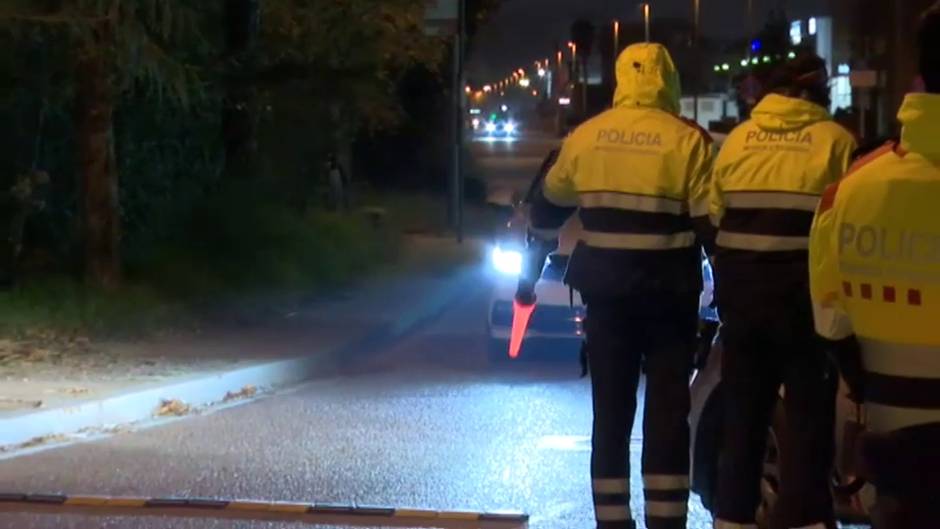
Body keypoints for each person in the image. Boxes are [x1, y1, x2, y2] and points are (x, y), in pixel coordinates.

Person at [522, 43, 715, 529]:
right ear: (668, 82)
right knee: (668, 418)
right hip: (669, 298)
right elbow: (713, 227)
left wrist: (529, 277)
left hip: (606, 299)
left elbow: (544, 210)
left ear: (619, 81)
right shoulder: (689, 141)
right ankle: (666, 523)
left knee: (610, 417)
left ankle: (612, 522)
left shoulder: (586, 139)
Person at [709, 54, 858, 529]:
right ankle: (803, 520)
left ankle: (732, 521)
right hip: (803, 302)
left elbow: (715, 215)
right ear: (814, 93)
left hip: (742, 297)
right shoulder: (836, 142)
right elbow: (849, 223)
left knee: (744, 422)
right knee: (807, 425)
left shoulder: (737, 142)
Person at [809, 3, 940, 527]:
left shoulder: (849, 190)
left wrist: (861, 381)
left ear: (918, 78)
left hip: (893, 438)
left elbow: (828, 316)